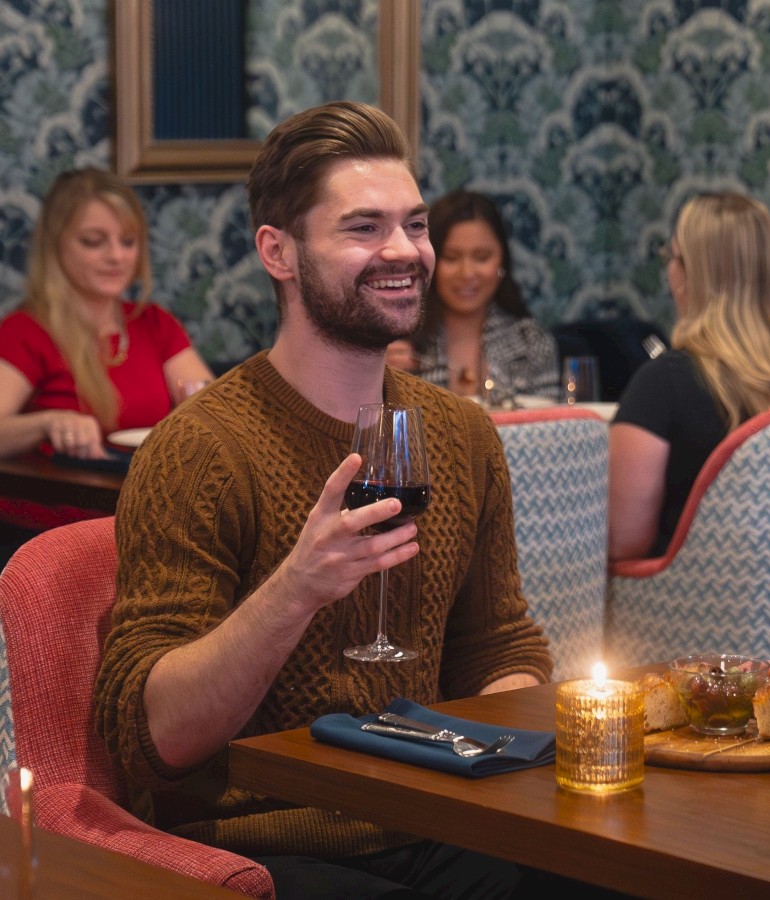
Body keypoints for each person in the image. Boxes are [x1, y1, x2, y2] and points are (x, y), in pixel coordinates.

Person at [94, 101, 555, 899]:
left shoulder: (462, 435)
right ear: (279, 251)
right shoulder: (200, 449)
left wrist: (507, 731)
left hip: (442, 818)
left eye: (414, 224)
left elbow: (499, 646)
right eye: (364, 229)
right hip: (265, 846)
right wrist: (298, 588)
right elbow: (153, 739)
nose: (405, 251)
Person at [607, 192, 770, 560]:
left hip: (694, 609)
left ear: (690, 273)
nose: (669, 271)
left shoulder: (664, 384)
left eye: (673, 257)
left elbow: (623, 540)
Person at [0, 167, 212, 554]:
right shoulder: (26, 331)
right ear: (56, 245)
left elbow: (211, 406)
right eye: (94, 242)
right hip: (52, 537)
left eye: (128, 242)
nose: (116, 256)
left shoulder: (153, 323)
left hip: (148, 522)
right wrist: (47, 423)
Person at [385, 189, 559, 401]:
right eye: (451, 257)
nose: (467, 273)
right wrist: (379, 376)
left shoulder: (531, 342)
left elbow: (548, 425)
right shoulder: (396, 339)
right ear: (430, 262)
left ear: (501, 262)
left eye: (482, 257)